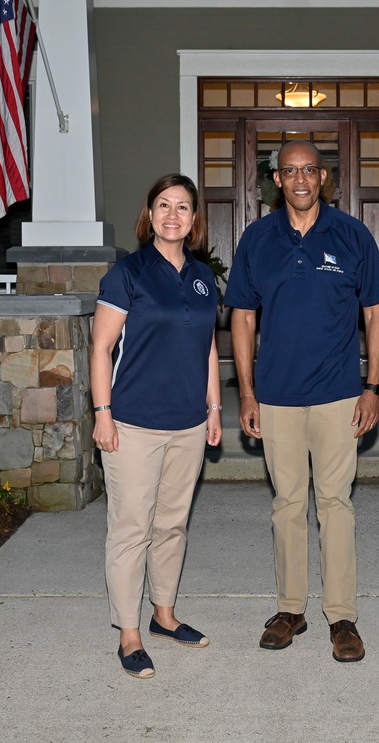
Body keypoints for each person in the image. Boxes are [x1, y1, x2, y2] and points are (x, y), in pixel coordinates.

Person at [225, 140, 379, 663]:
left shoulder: (351, 234)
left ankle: (342, 617)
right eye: (289, 171)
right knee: (287, 505)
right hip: (275, 397)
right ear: (277, 179)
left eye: (309, 170)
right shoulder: (257, 239)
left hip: (339, 394)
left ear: (323, 177)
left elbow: (376, 314)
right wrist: (247, 393)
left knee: (336, 505)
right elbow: (243, 318)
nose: (300, 179)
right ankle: (290, 609)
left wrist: (374, 387)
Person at [90, 173, 223, 679]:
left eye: (183, 207)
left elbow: (208, 346)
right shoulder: (127, 273)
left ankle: (164, 614)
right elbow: (101, 348)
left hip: (188, 424)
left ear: (194, 219)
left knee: (171, 525)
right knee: (131, 529)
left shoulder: (203, 275)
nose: (173, 215)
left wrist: (213, 409)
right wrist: (102, 415)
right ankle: (129, 633)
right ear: (150, 214)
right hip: (133, 424)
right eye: (164, 205)